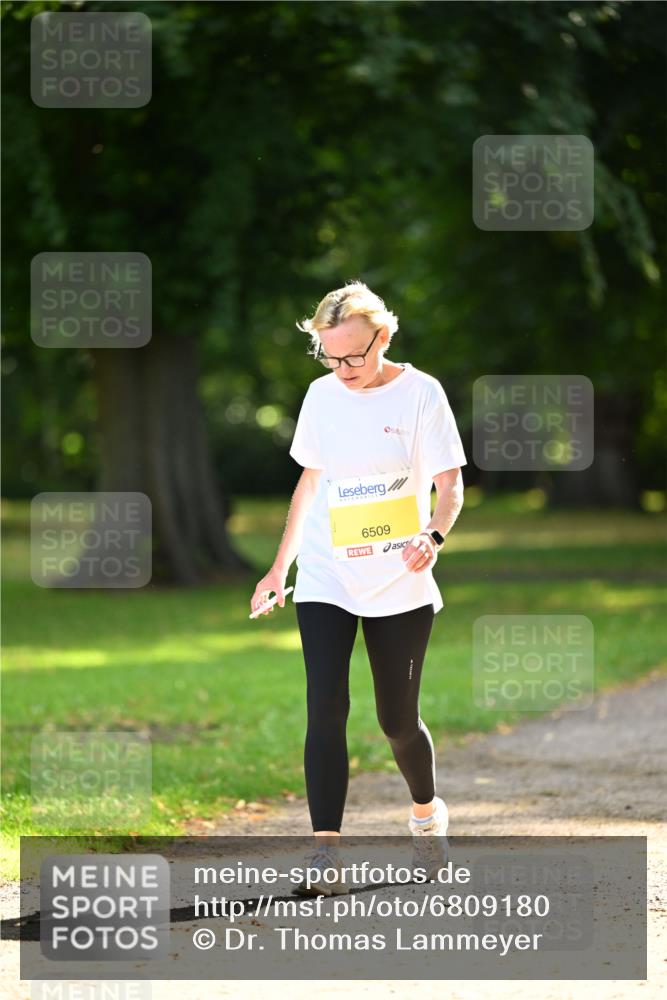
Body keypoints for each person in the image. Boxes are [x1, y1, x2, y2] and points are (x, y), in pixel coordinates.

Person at [250, 280, 466, 896]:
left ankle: (425, 813)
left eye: (354, 355)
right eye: (330, 355)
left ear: (384, 337)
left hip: (401, 578)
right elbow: (310, 483)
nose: (343, 369)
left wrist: (433, 534)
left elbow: (449, 485)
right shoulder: (321, 397)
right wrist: (279, 569)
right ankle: (326, 856)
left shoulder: (422, 394)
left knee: (397, 721)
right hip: (327, 574)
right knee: (326, 708)